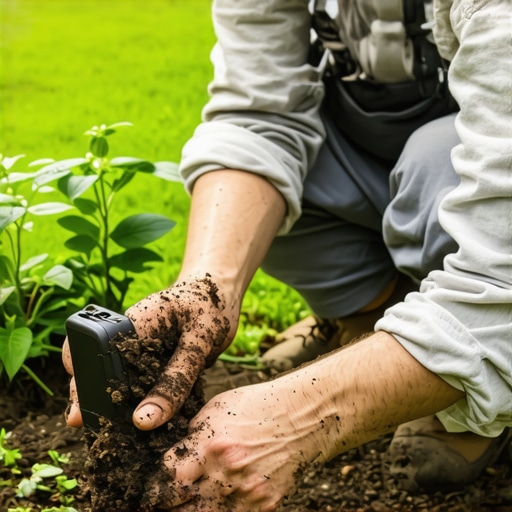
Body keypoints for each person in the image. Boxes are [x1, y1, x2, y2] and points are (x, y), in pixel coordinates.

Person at [63, 0, 512, 510]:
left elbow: (505, 280)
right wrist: (207, 286)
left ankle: (468, 395)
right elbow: (258, 117)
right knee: (243, 202)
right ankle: (377, 335)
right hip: (380, 139)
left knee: (434, 160)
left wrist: (296, 419)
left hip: (475, 165)